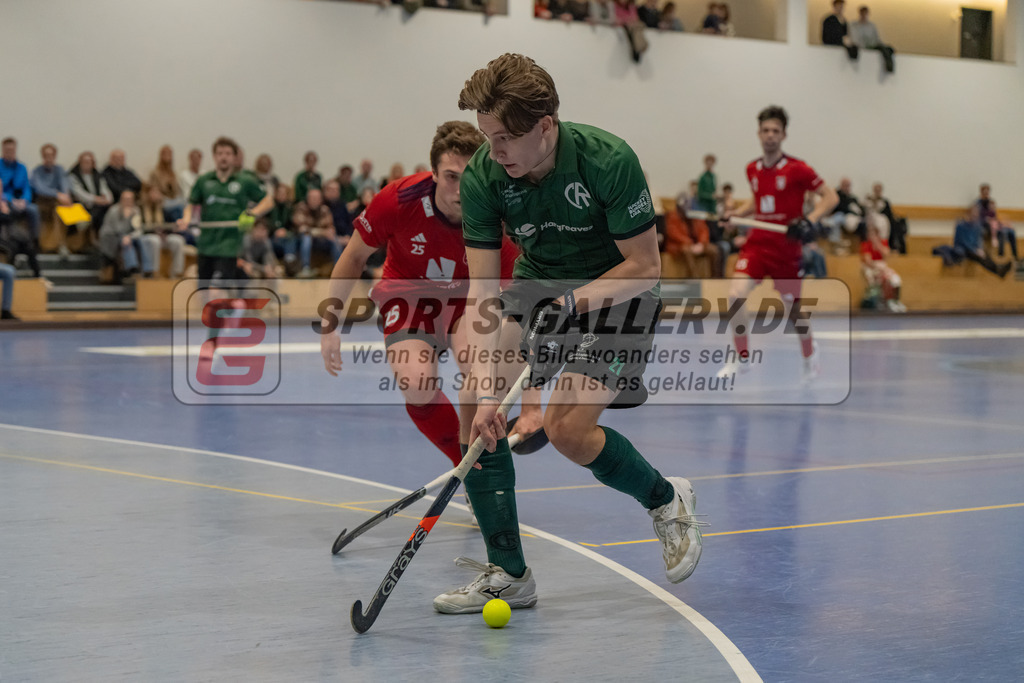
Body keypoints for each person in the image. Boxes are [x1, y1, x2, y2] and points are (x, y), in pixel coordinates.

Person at [432, 53, 705, 616]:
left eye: (505, 137)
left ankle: (666, 498)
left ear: (547, 126)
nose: (494, 150)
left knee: (566, 430)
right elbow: (484, 293)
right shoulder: (487, 174)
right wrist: (489, 393)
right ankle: (509, 573)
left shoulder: (609, 160)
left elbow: (645, 268)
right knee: (472, 404)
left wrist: (574, 303)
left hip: (618, 293)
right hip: (539, 284)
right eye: (488, 136)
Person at [319, 120, 534, 472]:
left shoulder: (498, 216)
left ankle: (480, 466)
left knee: (482, 375)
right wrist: (330, 325)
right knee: (416, 383)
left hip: (468, 299)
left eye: (470, 177)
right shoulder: (397, 200)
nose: (461, 189)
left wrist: (532, 404)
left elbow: (524, 309)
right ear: (432, 172)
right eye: (451, 176)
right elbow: (354, 256)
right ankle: (462, 464)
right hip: (408, 296)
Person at [719, 105, 839, 382]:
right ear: (758, 134)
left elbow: (830, 197)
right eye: (765, 130)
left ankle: (810, 353)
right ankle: (742, 357)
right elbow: (758, 201)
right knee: (736, 296)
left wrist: (810, 219)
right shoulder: (752, 169)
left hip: (787, 249)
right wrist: (736, 214)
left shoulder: (798, 169)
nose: (770, 135)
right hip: (758, 245)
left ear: (784, 135)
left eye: (775, 131)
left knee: (793, 311)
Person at [176, 136, 274, 284]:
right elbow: (191, 204)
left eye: (228, 154)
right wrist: (186, 219)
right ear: (214, 156)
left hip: (230, 245)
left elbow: (268, 201)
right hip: (206, 244)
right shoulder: (204, 181)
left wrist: (252, 213)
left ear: (234, 157)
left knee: (219, 289)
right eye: (220, 153)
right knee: (203, 290)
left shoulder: (245, 181)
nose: (224, 157)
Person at [0, 138, 41, 244]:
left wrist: (25, 200)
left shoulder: (21, 167)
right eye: (7, 150)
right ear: (3, 150)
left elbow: (26, 187)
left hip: (21, 201)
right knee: (7, 212)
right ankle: (9, 242)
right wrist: (11, 200)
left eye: (12, 150)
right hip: (5, 200)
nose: (10, 153)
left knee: (34, 210)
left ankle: (34, 241)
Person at [68, 151, 114, 243]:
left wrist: (107, 199)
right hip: (81, 204)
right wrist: (96, 199)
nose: (87, 164)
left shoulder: (97, 175)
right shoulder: (73, 175)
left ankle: (103, 240)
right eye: (85, 162)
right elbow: (79, 193)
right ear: (79, 162)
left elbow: (104, 189)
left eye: (90, 162)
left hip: (97, 205)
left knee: (108, 210)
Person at [860, 223, 904, 311]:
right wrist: (878, 267)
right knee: (878, 278)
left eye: (874, 234)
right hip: (873, 267)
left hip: (883, 266)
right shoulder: (866, 245)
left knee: (895, 279)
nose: (872, 236)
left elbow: (887, 255)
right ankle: (882, 301)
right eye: (870, 234)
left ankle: (895, 300)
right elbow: (868, 261)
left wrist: (878, 245)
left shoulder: (882, 243)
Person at [976, 183, 1018, 263]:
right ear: (981, 192)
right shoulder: (978, 203)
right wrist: (989, 221)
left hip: (994, 225)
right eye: (984, 192)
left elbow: (995, 217)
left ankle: (1014, 255)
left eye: (987, 192)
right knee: (1000, 231)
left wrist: (1005, 224)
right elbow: (979, 218)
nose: (986, 194)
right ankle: (1000, 254)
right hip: (985, 226)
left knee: (1010, 231)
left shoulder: (990, 202)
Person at [850, 6, 894, 74]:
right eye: (862, 14)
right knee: (882, 48)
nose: (864, 16)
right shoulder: (855, 25)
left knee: (888, 48)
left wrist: (881, 44)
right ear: (860, 14)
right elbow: (855, 38)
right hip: (863, 46)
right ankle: (889, 65)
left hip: (873, 46)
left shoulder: (871, 26)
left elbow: (877, 39)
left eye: (865, 14)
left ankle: (889, 63)